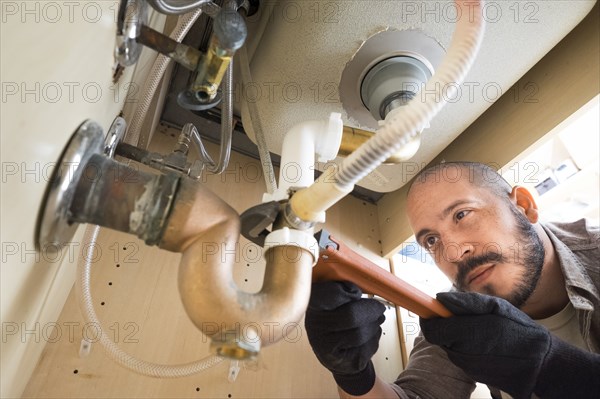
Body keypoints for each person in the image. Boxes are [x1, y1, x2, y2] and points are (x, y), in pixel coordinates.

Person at [305, 162, 599, 399]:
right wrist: (354, 376)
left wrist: (548, 364)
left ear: (523, 205)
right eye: (432, 240)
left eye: (462, 214)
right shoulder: (457, 315)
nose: (456, 253)